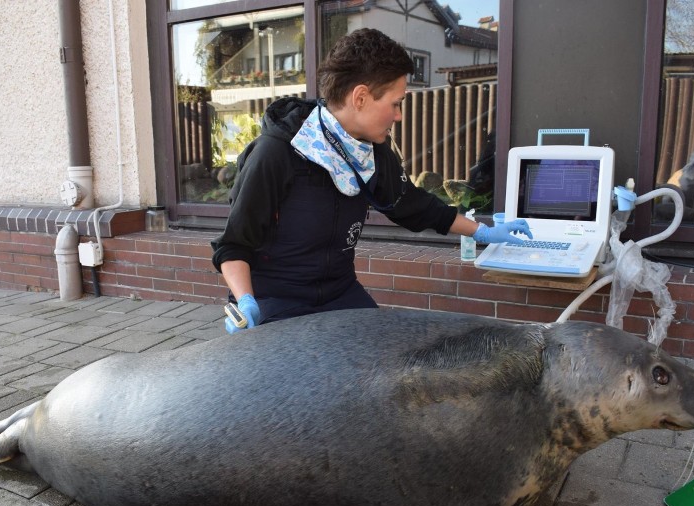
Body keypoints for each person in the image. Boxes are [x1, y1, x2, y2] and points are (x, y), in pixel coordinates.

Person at [211, 28, 532, 333]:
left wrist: (484, 231)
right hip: (276, 299)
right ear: (361, 97)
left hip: (340, 293)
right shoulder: (276, 153)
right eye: (395, 103)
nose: (399, 115)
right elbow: (234, 245)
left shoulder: (371, 152)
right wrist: (246, 301)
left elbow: (415, 206)